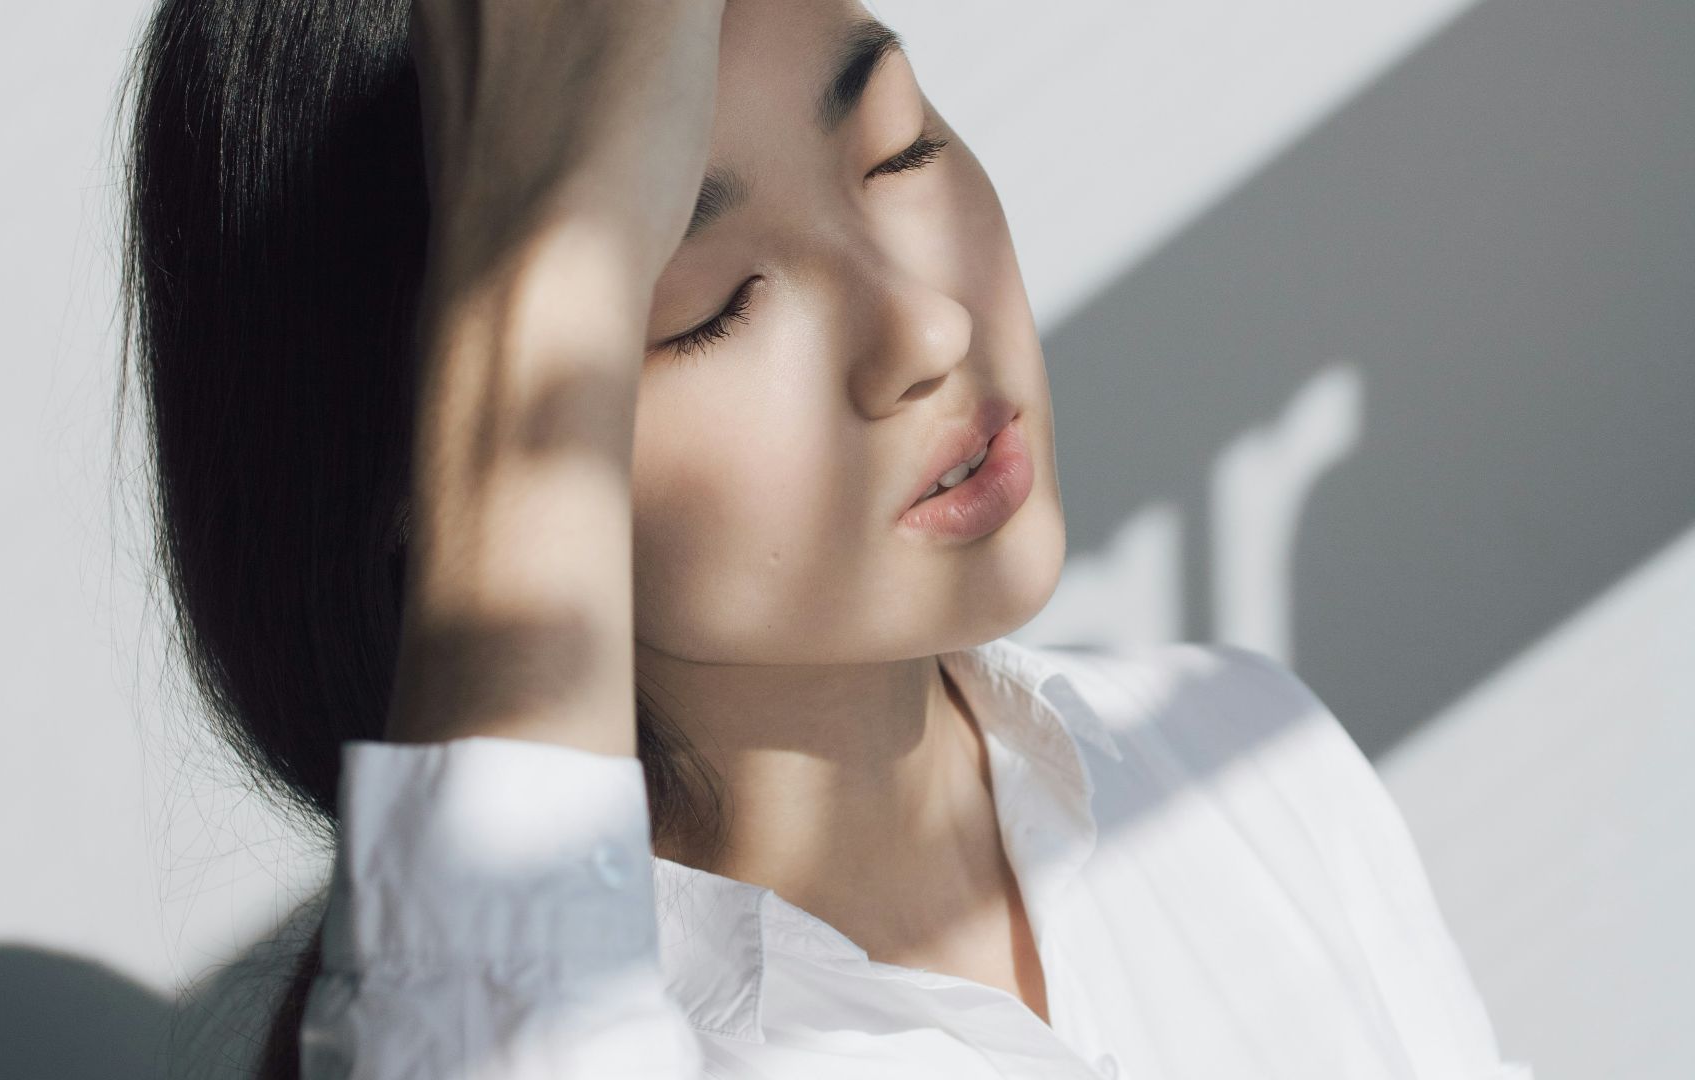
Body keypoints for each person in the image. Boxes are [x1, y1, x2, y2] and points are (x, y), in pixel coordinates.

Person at [117, 0, 1533, 1076]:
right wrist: (538, 259)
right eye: (707, 303)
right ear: (446, 466)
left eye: (899, 145)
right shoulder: (564, 1024)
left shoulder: (1244, 760)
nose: (925, 325)